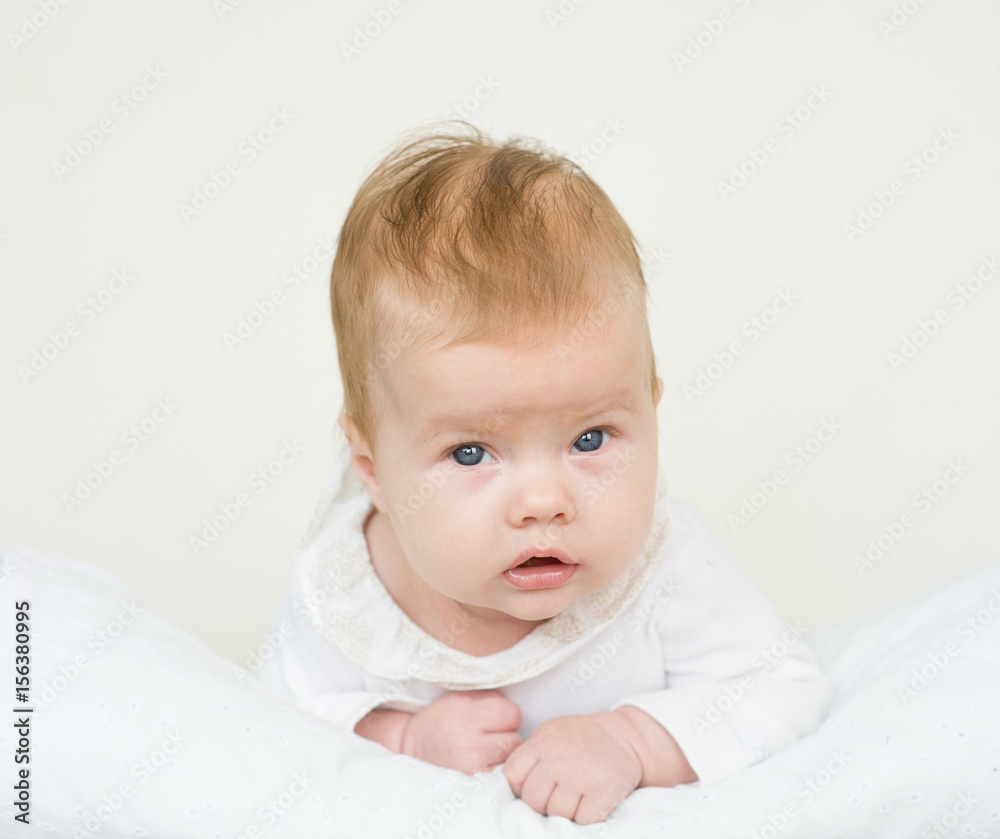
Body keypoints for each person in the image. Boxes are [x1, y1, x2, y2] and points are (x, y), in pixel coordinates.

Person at [250, 122, 832, 825]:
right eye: (471, 453)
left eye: (591, 437)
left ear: (651, 411)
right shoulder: (347, 594)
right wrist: (401, 734)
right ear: (372, 469)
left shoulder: (667, 564)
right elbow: (271, 724)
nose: (544, 501)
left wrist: (633, 739)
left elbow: (779, 683)